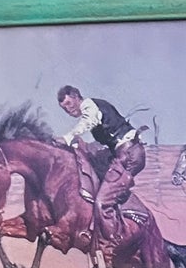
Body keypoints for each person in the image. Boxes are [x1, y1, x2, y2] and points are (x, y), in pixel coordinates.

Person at [56, 84, 145, 256]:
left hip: (128, 154)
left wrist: (67, 138)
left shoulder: (90, 106)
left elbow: (88, 122)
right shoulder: (94, 109)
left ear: (76, 96)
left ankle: (110, 246)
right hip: (124, 153)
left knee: (102, 201)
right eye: (64, 109)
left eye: (69, 104)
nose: (68, 110)